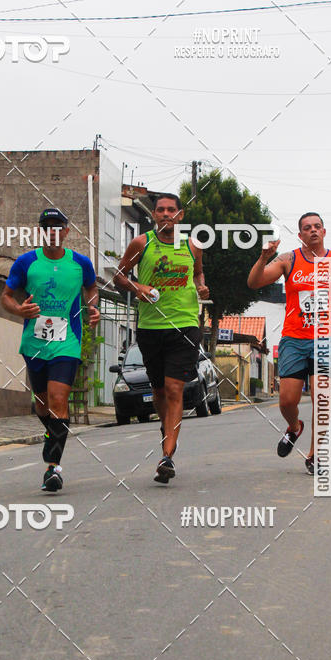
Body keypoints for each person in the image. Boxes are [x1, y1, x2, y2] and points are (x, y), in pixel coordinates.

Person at [247, 212, 331, 474]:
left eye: (317, 226)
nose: (313, 231)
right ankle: (294, 427)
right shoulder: (289, 259)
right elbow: (254, 282)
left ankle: (314, 455)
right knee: (287, 401)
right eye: (307, 228)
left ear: (324, 231)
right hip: (294, 339)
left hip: (326, 340)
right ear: (300, 235)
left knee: (322, 399)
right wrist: (264, 258)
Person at [1, 207, 99, 491]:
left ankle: (53, 467)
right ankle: (52, 437)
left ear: (67, 232)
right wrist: (20, 310)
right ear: (41, 231)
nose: (53, 231)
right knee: (43, 404)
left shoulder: (81, 263)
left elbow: (92, 288)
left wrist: (93, 308)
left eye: (58, 226)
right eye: (47, 226)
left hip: (66, 342)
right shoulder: (26, 262)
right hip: (34, 343)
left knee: (58, 399)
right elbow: (6, 296)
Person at [114, 193, 209, 482]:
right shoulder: (142, 244)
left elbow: (198, 275)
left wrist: (202, 288)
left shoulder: (192, 246)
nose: (166, 214)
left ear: (180, 216)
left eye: (171, 210)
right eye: (160, 210)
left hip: (185, 325)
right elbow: (119, 275)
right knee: (157, 390)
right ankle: (167, 430)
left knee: (173, 388)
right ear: (154, 215)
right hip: (151, 327)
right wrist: (137, 286)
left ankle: (167, 455)